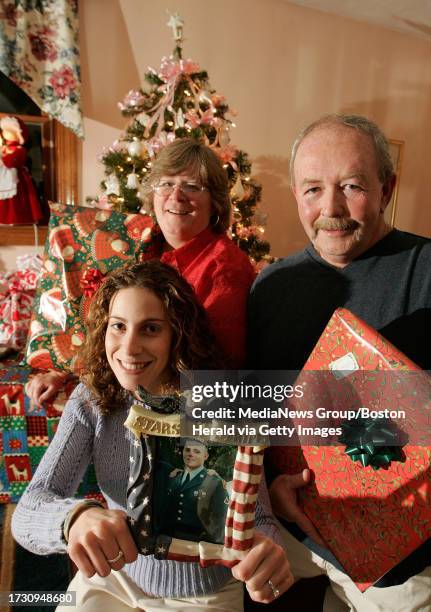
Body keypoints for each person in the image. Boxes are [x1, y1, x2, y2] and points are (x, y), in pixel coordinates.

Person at [13, 261, 292, 611]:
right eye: (118, 326)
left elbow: (259, 515)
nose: (128, 349)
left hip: (202, 593)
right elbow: (27, 512)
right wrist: (74, 519)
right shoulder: (91, 400)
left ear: (178, 333)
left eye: (150, 329)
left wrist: (266, 548)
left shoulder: (219, 402)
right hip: (115, 575)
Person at [247, 114, 431, 611]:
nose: (330, 208)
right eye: (312, 189)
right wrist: (271, 489)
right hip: (293, 529)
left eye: (351, 186)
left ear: (387, 187)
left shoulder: (427, 270)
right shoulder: (270, 287)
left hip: (399, 554)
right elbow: (262, 405)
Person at [27, 137, 255, 405]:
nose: (176, 195)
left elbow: (213, 372)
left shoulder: (225, 267)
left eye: (192, 186)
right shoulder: (139, 244)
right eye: (166, 183)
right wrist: (64, 368)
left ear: (215, 202)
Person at [155, 439, 229, 543]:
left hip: (198, 542)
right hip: (167, 539)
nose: (190, 454)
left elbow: (221, 521)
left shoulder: (214, 482)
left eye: (197, 451)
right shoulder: (173, 477)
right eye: (187, 450)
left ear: (205, 456)